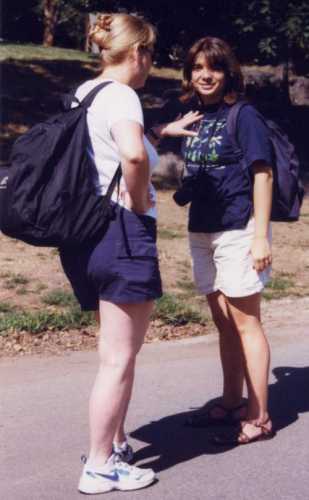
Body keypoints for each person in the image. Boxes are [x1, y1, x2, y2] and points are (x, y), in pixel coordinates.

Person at [60, 13, 201, 495]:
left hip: (88, 233)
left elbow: (107, 149)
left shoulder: (88, 92)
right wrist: (141, 205)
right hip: (123, 232)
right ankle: (99, 465)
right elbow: (131, 157)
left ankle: (115, 445)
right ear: (138, 53)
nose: (150, 64)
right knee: (120, 358)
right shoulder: (123, 95)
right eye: (150, 54)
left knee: (112, 353)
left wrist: (161, 131)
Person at [148, 36, 275, 445]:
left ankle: (259, 416)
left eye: (215, 68)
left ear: (227, 73)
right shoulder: (195, 115)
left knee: (246, 323)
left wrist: (260, 237)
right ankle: (232, 400)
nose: (206, 75)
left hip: (238, 228)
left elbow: (263, 174)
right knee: (223, 322)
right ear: (189, 73)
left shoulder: (244, 115)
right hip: (202, 228)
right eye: (198, 67)